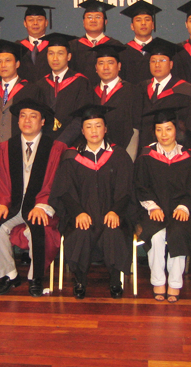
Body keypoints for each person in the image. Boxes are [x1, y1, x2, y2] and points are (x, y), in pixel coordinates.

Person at [0, 98, 67, 297]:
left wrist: (43, 205)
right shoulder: (4, 148)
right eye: (23, 116)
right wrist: (0, 204)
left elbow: (60, 183)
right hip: (12, 204)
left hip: (40, 205)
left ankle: (35, 278)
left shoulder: (56, 148)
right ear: (17, 121)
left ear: (42, 121)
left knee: (38, 228)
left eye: (33, 116)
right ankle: (8, 275)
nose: (27, 120)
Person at [49, 104, 134, 299]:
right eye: (88, 126)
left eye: (98, 125)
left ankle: (115, 279)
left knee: (114, 231)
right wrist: (78, 212)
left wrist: (115, 211)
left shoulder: (119, 155)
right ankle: (80, 279)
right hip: (81, 214)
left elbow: (126, 189)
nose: (94, 131)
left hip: (112, 213)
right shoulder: (71, 157)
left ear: (106, 128)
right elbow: (64, 191)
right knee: (80, 231)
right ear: (82, 130)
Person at [134, 107, 191, 302]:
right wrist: (152, 206)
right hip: (153, 210)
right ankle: (158, 280)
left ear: (177, 130)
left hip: (180, 210)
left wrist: (184, 207)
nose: (164, 134)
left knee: (179, 232)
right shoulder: (145, 156)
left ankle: (175, 282)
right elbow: (140, 186)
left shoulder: (189, 158)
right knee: (156, 235)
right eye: (159, 130)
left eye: (168, 129)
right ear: (154, 132)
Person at [138, 37, 191, 157]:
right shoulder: (141, 89)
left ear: (171, 64)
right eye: (153, 61)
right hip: (147, 155)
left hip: (177, 156)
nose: (157, 65)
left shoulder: (185, 90)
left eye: (162, 60)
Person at [34, 32, 91, 146]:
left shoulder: (81, 82)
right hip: (44, 144)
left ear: (68, 56)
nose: (55, 58)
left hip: (73, 145)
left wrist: (61, 142)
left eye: (60, 53)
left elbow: (81, 117)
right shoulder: (40, 84)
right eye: (51, 53)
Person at [90, 44, 141, 160]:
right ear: (96, 68)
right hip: (95, 155)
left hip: (123, 153)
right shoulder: (90, 93)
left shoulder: (132, 91)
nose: (106, 67)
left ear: (119, 66)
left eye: (110, 63)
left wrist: (129, 158)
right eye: (101, 63)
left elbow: (136, 128)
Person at [0, 39, 37, 145]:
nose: (3, 65)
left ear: (17, 64)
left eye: (7, 61)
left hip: (21, 148)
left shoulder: (30, 90)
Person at [69, 0, 124, 86]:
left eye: (98, 17)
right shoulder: (72, 46)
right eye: (89, 17)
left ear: (105, 22)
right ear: (83, 22)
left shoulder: (116, 45)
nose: (93, 20)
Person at [118, 0, 162, 85]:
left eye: (147, 19)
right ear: (132, 26)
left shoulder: (161, 50)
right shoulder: (122, 52)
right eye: (138, 20)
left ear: (153, 25)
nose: (143, 23)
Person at [15, 4, 55, 83]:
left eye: (39, 20)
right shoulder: (17, 47)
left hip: (49, 89)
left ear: (46, 22)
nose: (35, 23)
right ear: (25, 23)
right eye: (31, 20)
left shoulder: (53, 45)